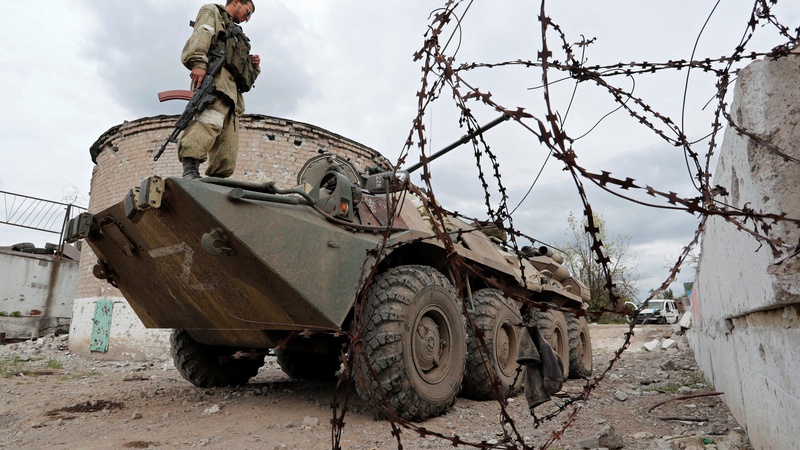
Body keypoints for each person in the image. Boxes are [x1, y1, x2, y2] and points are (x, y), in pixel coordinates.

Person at [178, 0, 261, 179]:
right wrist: (198, 63)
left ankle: (218, 180)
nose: (247, 19)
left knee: (228, 140)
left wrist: (253, 66)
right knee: (207, 122)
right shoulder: (213, 12)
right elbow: (202, 33)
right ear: (237, 2)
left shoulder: (239, 36)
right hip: (215, 81)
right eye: (248, 12)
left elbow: (244, 78)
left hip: (233, 93)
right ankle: (191, 167)